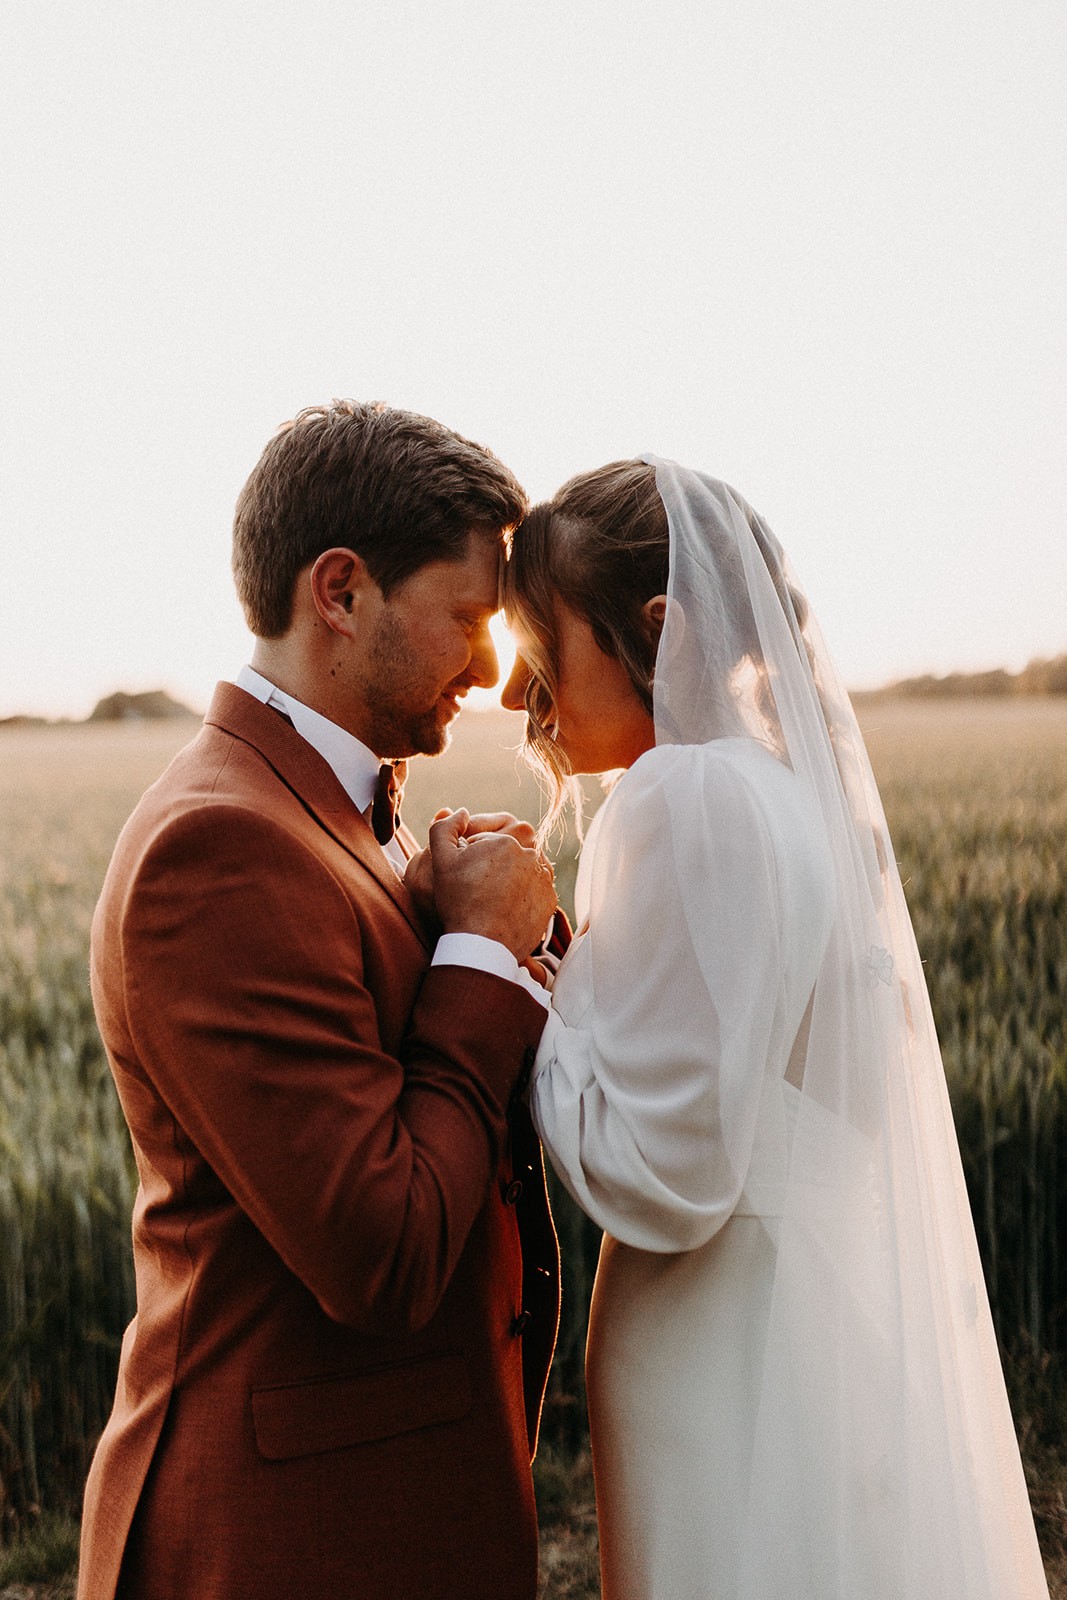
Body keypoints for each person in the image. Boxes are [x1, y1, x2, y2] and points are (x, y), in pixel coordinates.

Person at [502, 457, 1049, 1600]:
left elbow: (666, 1167)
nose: (519, 691)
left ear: (653, 629)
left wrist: (511, 975)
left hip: (722, 1347)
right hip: (802, 1318)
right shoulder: (787, 792)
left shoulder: (680, 795)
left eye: (541, 643)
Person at [78, 401, 561, 1600]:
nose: (495, 669)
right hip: (290, 1539)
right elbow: (382, 1250)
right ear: (339, 590)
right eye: (469, 615)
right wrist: (479, 960)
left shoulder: (327, 804)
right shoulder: (219, 847)